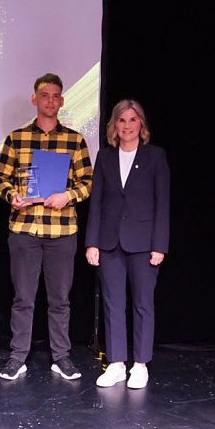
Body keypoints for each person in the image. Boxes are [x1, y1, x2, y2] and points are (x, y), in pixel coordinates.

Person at [0, 73, 93, 380]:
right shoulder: (17, 137)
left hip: (62, 231)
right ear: (34, 99)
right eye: (44, 95)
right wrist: (13, 196)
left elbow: (88, 181)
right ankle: (18, 356)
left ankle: (61, 356)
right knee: (23, 298)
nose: (50, 101)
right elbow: (0, 179)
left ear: (61, 101)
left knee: (60, 300)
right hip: (24, 229)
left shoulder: (75, 140)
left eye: (55, 96)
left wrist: (68, 195)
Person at [85, 99, 170, 389]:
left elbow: (163, 204)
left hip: (144, 243)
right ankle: (117, 363)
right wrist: (91, 242)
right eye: (122, 120)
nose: (127, 126)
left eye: (133, 120)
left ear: (141, 125)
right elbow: (96, 202)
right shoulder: (105, 157)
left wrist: (160, 245)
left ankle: (141, 364)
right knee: (112, 303)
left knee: (143, 304)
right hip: (109, 241)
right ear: (114, 125)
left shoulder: (155, 157)